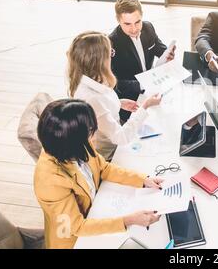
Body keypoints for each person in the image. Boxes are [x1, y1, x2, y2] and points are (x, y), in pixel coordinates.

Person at [34, 99, 163, 249]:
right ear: (73, 140)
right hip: (74, 241)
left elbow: (104, 168)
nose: (94, 135)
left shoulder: (78, 144)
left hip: (97, 210)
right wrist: (128, 220)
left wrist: (143, 180)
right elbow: (77, 227)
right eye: (90, 131)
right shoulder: (50, 181)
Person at [67, 31, 161, 160]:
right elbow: (121, 137)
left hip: (114, 143)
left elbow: (102, 108)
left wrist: (119, 102)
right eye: (110, 53)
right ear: (99, 60)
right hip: (110, 156)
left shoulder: (89, 78)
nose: (112, 57)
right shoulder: (92, 98)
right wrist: (145, 106)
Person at [109, 0, 175, 121]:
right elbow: (112, 82)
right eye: (127, 24)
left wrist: (167, 53)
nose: (134, 29)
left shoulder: (148, 27)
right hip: (131, 99)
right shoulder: (111, 43)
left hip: (153, 85)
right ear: (118, 20)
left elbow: (158, 47)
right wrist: (141, 84)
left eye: (137, 22)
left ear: (142, 16)